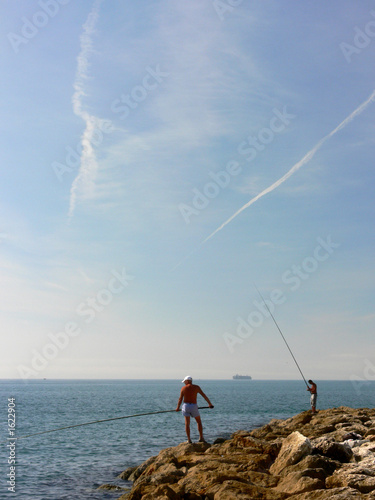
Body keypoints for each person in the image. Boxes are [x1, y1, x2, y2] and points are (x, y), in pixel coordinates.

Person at [176, 376, 214, 443]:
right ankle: (201, 438)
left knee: (187, 423)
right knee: (199, 422)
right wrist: (210, 404)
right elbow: (204, 395)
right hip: (193, 406)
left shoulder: (183, 388)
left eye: (184, 381)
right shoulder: (196, 387)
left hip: (186, 406)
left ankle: (189, 440)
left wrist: (178, 407)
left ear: (187, 381)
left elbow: (180, 399)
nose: (184, 383)